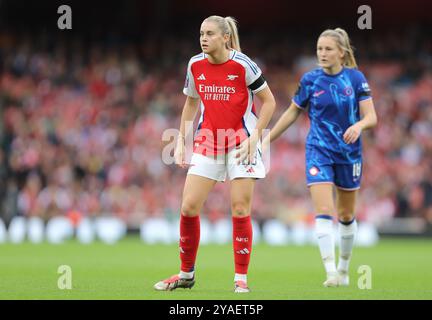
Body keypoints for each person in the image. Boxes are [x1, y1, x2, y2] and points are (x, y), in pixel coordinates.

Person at [154, 15, 275, 293]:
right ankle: (186, 275)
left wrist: (255, 138)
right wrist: (183, 140)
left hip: (241, 142)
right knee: (188, 207)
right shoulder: (195, 64)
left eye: (209, 34)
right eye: (201, 34)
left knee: (240, 209)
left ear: (225, 38)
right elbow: (191, 103)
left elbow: (269, 102)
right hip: (208, 141)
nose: (203, 38)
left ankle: (240, 279)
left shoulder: (244, 65)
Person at [268, 28, 377, 287]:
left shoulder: (355, 78)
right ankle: (330, 272)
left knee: (347, 214)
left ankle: (343, 268)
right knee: (324, 210)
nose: (323, 54)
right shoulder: (310, 80)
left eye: (328, 49)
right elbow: (293, 112)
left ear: (341, 52)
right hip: (318, 150)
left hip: (349, 154)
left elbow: (372, 116)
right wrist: (266, 138)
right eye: (319, 49)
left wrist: (359, 126)